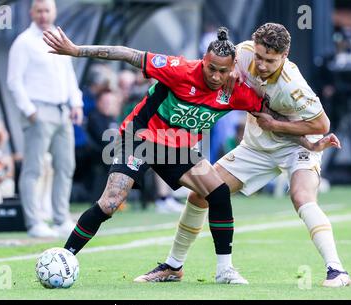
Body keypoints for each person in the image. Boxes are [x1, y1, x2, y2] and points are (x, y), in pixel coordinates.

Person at [43, 25, 269, 279]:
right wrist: (76, 50)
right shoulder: (179, 69)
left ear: (233, 68)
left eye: (223, 71)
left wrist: (307, 135)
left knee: (218, 192)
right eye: (211, 68)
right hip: (140, 137)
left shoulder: (235, 92)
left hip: (177, 146)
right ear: (203, 61)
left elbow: (271, 107)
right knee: (110, 203)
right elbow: (128, 54)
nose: (216, 76)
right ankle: (64, 258)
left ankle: (224, 270)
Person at [135, 23, 350, 288]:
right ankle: (173, 266)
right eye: (259, 56)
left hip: (296, 145)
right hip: (256, 147)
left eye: (269, 60)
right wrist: (232, 71)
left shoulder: (294, 87)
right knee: (201, 194)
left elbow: (321, 125)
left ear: (285, 55)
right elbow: (223, 64)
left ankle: (337, 271)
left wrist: (279, 126)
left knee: (301, 196)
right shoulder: (244, 52)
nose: (260, 64)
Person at [7, 0, 83, 238]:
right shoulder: (24, 42)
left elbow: (68, 75)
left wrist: (76, 102)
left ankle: (61, 218)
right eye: (38, 11)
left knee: (65, 166)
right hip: (38, 111)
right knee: (34, 168)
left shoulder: (61, 38)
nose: (43, 15)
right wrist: (29, 110)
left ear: (54, 12)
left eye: (47, 10)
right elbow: (14, 81)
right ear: (32, 13)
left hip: (62, 111)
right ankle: (34, 222)